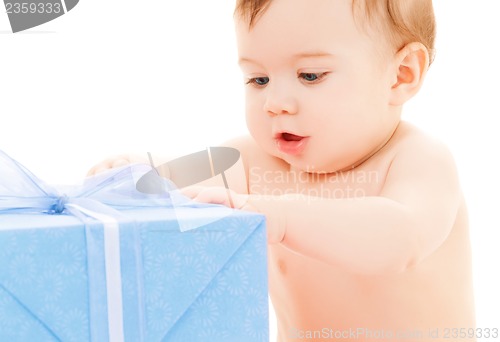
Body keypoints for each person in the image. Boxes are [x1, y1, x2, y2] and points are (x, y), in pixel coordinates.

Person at [89, 0, 476, 340]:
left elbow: (399, 239)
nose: (275, 103)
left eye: (310, 75)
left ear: (401, 74)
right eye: (259, 79)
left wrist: (283, 217)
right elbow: (182, 187)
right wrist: (134, 176)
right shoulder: (254, 159)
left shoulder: (418, 159)